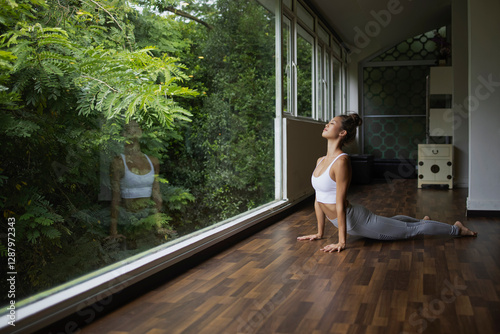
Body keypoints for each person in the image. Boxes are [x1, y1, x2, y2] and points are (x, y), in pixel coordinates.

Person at [297, 113, 477, 253]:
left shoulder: (342, 162)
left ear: (342, 133)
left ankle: (457, 229)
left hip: (356, 220)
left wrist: (341, 242)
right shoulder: (320, 160)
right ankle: (422, 221)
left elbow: (339, 204)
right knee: (392, 222)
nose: (326, 124)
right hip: (349, 222)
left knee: (409, 231)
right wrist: (320, 233)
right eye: (328, 122)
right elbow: (318, 199)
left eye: (332, 123)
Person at [109, 120, 163, 240]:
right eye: (127, 128)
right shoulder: (118, 162)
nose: (132, 130)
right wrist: (113, 232)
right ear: (123, 134)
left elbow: (157, 194)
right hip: (127, 220)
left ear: (140, 131)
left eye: (135, 127)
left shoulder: (153, 161)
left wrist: (159, 226)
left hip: (147, 219)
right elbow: (115, 197)